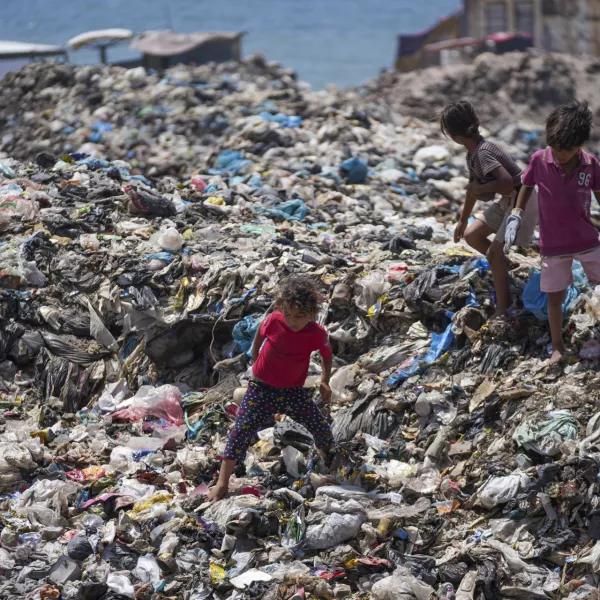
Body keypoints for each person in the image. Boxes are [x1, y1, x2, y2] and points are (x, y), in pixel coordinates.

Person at [207, 276, 334, 502]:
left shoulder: (317, 334)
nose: (292, 321)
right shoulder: (274, 321)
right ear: (281, 309)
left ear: (312, 314)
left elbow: (326, 356)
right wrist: (255, 361)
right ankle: (222, 483)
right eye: (288, 314)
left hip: (293, 391)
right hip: (261, 388)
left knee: (319, 426)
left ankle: (330, 460)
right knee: (241, 430)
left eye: (299, 316)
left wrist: (324, 380)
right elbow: (259, 336)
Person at [505, 100, 600, 365]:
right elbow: (526, 185)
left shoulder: (590, 164)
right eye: (554, 146)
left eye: (566, 149)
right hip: (553, 245)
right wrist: (516, 214)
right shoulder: (540, 159)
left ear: (578, 145)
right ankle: (557, 346)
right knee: (555, 297)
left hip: (587, 240)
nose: (558, 153)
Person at [440, 100, 538, 319]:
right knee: (472, 235)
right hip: (509, 200)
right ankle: (503, 266)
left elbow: (505, 182)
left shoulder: (483, 152)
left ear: (454, 136)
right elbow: (471, 190)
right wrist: (463, 221)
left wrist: (482, 187)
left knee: (493, 253)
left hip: (522, 200)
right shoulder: (473, 152)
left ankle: (503, 309)